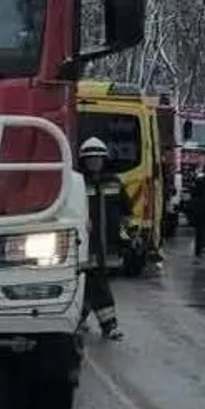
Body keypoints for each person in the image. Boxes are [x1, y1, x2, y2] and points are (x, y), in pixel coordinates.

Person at [79, 136, 125, 341]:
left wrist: (127, 236)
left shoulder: (114, 182)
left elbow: (126, 211)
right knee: (97, 283)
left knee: (92, 283)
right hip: (86, 244)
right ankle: (109, 325)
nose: (94, 162)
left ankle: (79, 319)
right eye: (90, 159)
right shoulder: (78, 182)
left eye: (98, 158)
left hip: (109, 245)